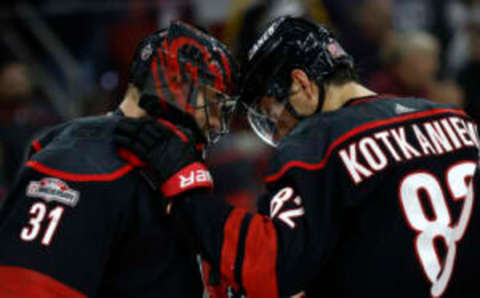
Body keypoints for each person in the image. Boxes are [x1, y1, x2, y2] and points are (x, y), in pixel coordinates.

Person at [115, 17, 480, 297]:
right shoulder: (456, 119)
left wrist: (186, 190)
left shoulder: (317, 144)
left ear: (303, 83)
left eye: (273, 112)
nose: (279, 128)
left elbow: (272, 266)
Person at [0, 20, 238, 297]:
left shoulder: (166, 163)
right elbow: (26, 285)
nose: (215, 124)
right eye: (212, 103)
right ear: (174, 83)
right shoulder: (82, 155)